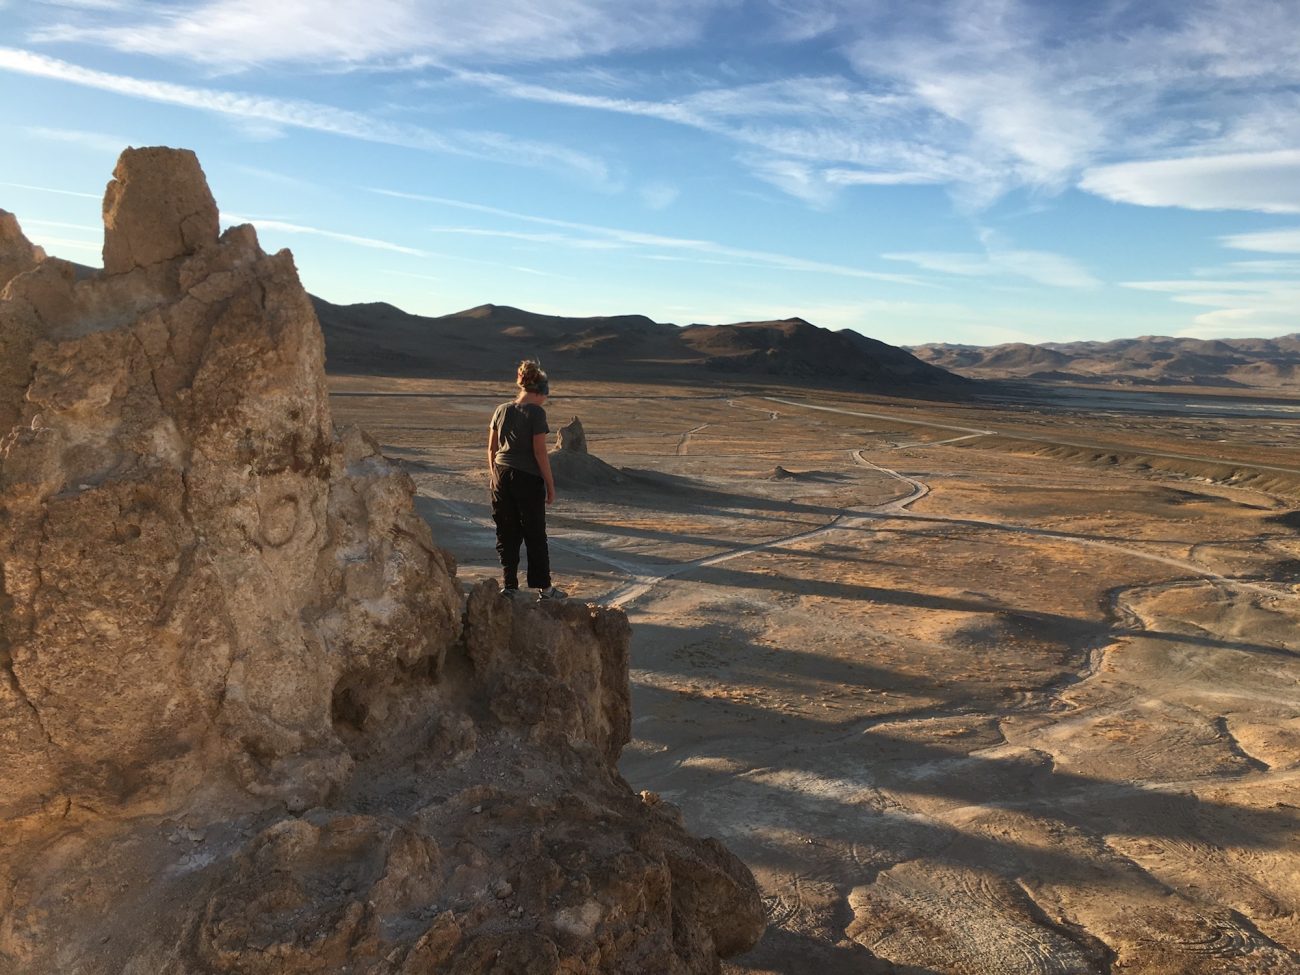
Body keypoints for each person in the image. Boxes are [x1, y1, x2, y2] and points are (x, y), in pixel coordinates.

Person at [488, 360, 565, 599]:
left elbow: (492, 448)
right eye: (545, 396)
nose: (545, 400)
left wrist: (494, 476)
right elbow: (540, 452)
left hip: (501, 474)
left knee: (506, 529)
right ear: (540, 391)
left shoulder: (501, 409)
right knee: (534, 532)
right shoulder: (536, 412)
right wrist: (550, 486)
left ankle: (509, 585)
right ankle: (544, 588)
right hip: (527, 479)